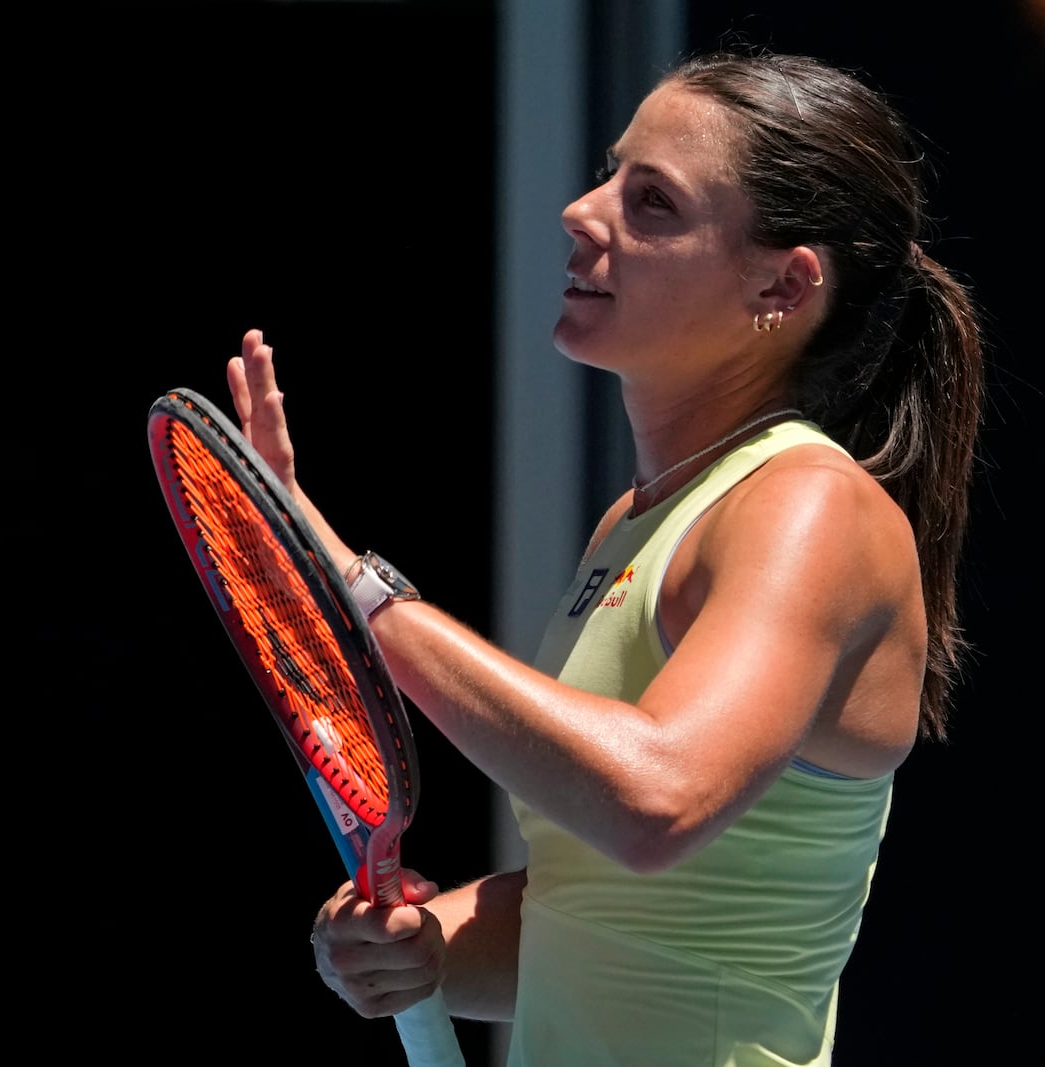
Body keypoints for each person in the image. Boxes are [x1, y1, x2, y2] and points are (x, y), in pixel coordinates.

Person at [225, 45, 985, 1067]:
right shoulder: (635, 522)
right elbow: (613, 920)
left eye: (653, 202)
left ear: (782, 281)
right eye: (606, 174)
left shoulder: (811, 504)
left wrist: (349, 583)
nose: (583, 213)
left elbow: (653, 801)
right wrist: (430, 946)